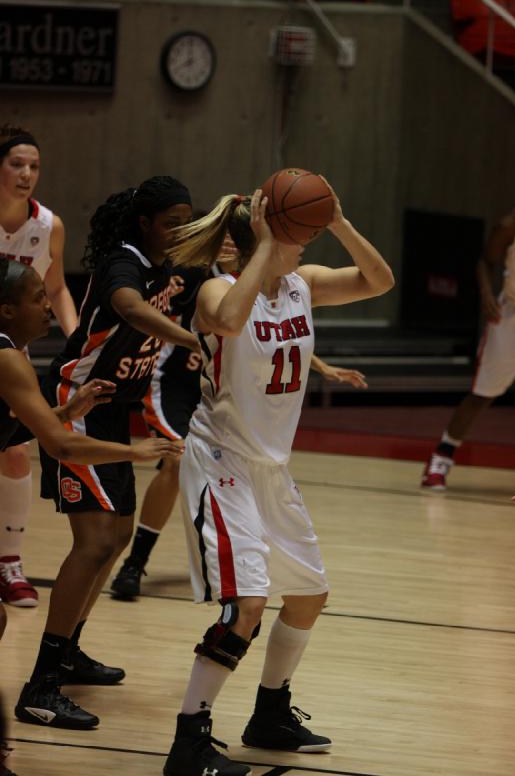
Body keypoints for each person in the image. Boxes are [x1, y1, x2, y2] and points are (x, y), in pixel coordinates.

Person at [161, 182, 394, 776]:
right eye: (303, 230)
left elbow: (379, 281)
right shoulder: (216, 289)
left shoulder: (303, 284)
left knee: (310, 594)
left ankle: (270, 714)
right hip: (222, 464)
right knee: (247, 606)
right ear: (265, 237)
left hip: (272, 470)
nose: (308, 238)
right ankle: (189, 743)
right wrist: (264, 245)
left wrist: (340, 220)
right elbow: (232, 322)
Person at [15, 176, 202, 731]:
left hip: (113, 406)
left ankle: (68, 652)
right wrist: (193, 341)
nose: (178, 230)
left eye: (185, 221)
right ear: (145, 222)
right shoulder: (125, 262)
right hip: (80, 401)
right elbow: (129, 307)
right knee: (94, 542)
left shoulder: (174, 264)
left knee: (117, 537)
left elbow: (216, 261)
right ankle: (40, 687)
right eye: (171, 221)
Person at [112, 226, 368, 601]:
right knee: (176, 457)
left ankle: (238, 548)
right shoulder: (197, 278)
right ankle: (135, 561)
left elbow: (269, 335)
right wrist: (190, 339)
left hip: (219, 385)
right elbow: (158, 317)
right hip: (176, 379)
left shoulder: (265, 283)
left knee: (182, 462)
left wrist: (320, 365)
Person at [0, 123, 78, 608]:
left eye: (34, 167)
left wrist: (78, 342)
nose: (27, 174)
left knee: (14, 453)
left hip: (10, 352)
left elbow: (56, 289)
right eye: (16, 164)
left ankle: (9, 561)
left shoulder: (48, 225)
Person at [422, 165, 515, 490]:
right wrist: (486, 293)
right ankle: (440, 459)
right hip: (514, 316)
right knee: (482, 394)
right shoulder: (512, 225)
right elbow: (485, 261)